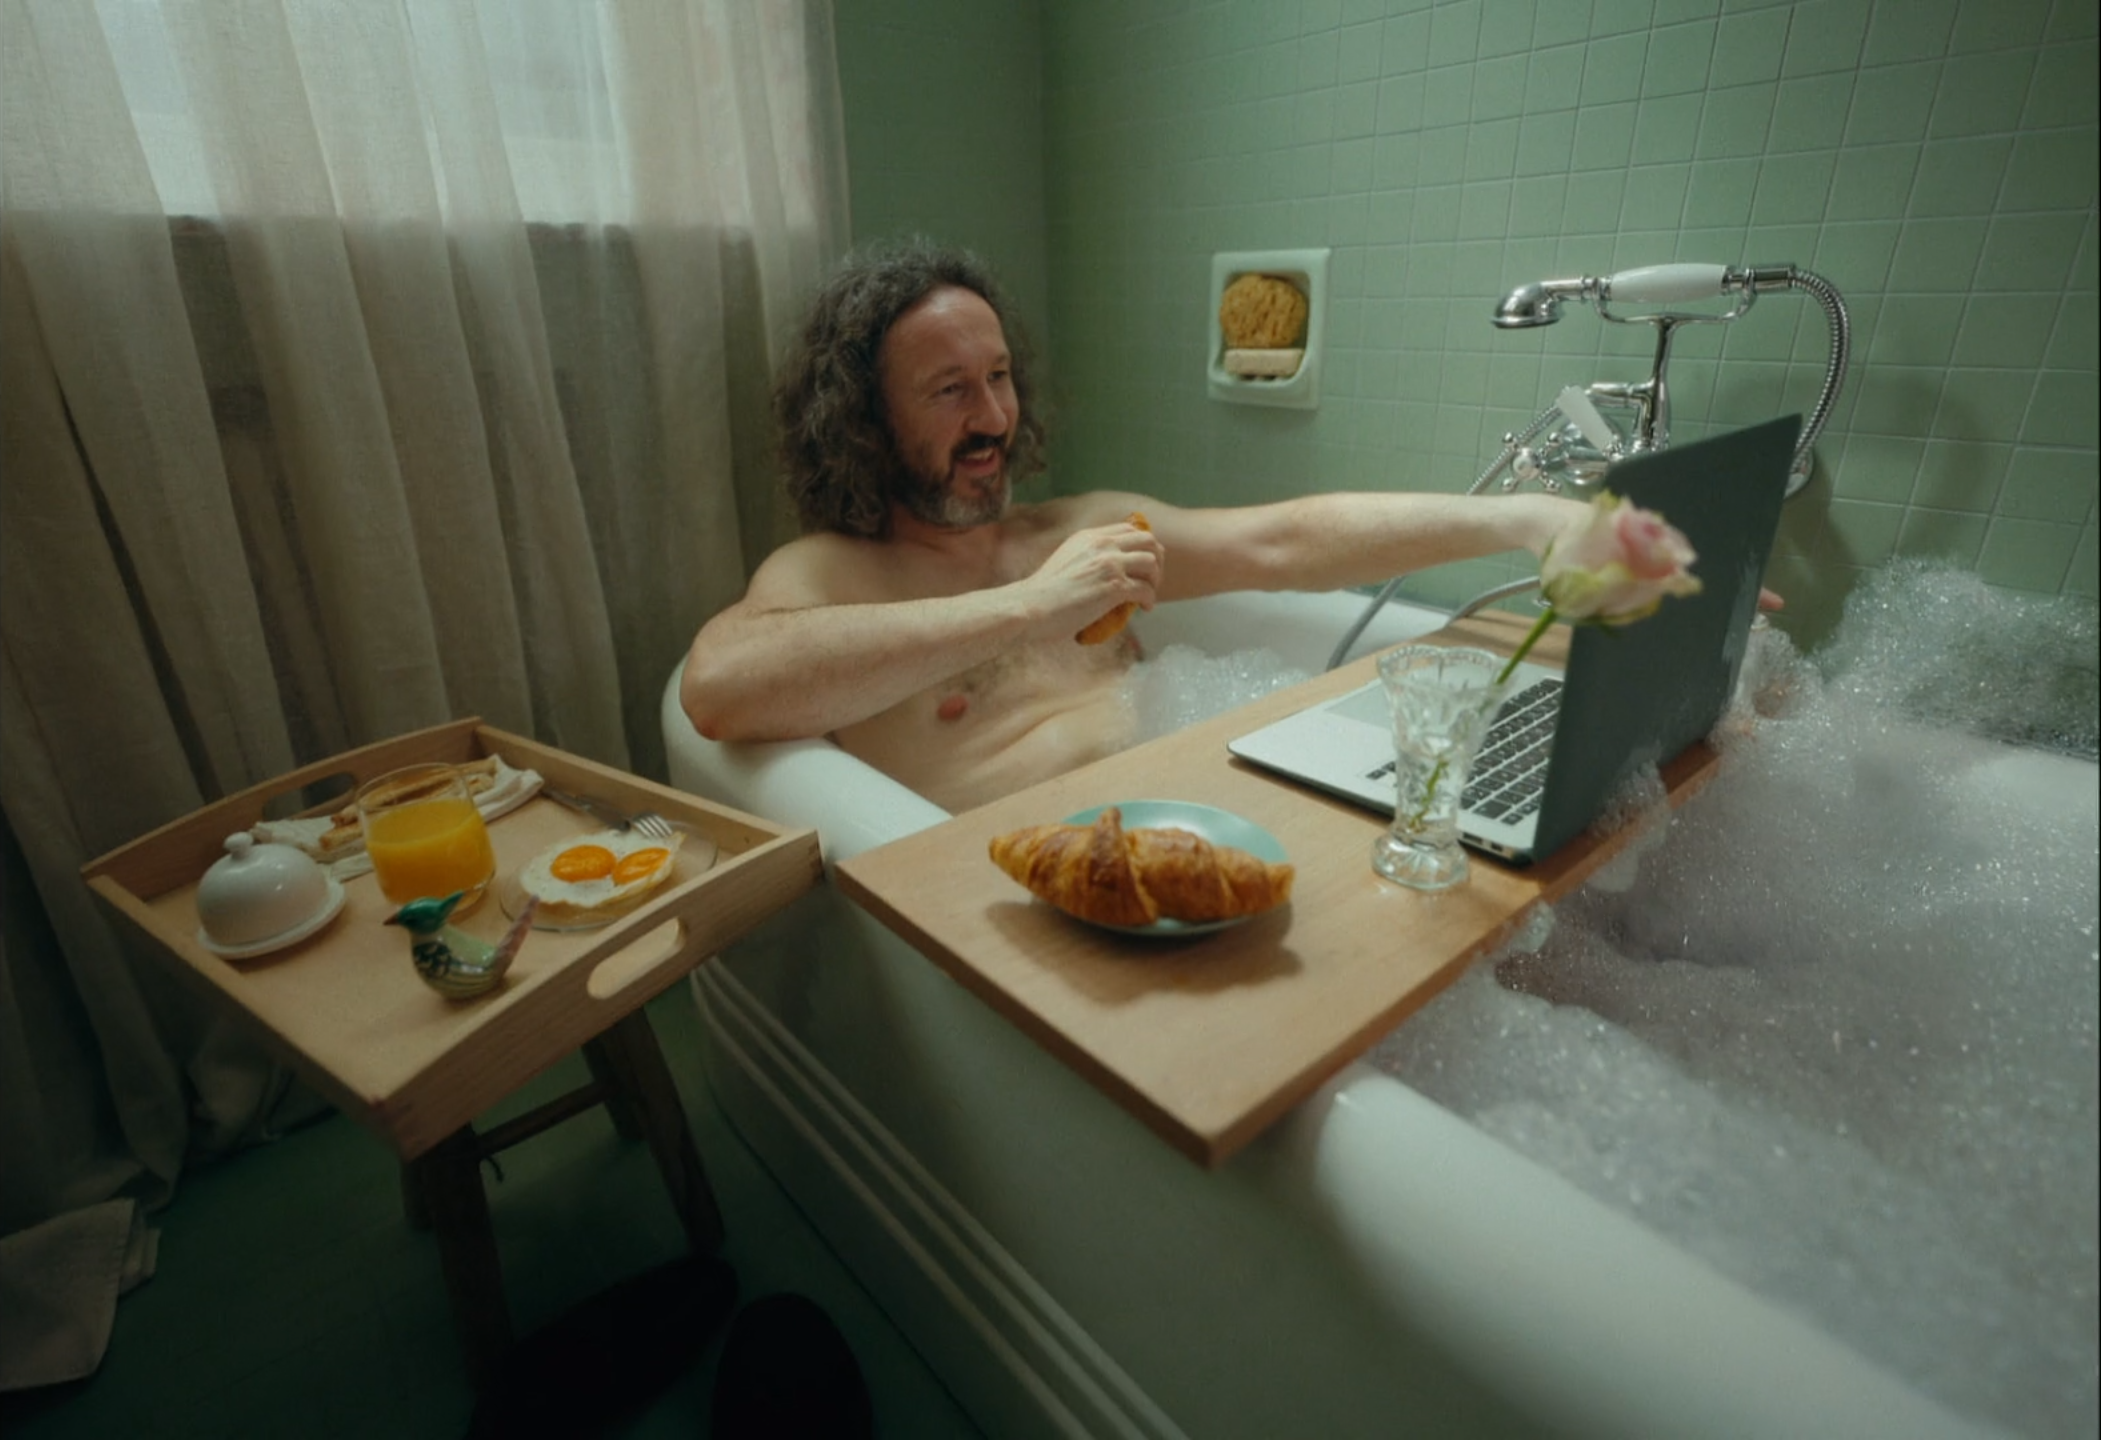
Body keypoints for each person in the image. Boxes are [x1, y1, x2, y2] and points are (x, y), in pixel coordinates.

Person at [681, 240, 1593, 814]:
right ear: (866, 422)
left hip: (1205, 835)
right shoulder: (830, 574)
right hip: (1029, 903)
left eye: (998, 377)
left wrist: (1523, 518)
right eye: (950, 389)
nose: (993, 417)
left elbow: (1280, 542)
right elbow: (719, 687)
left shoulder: (1074, 529)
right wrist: (1031, 607)